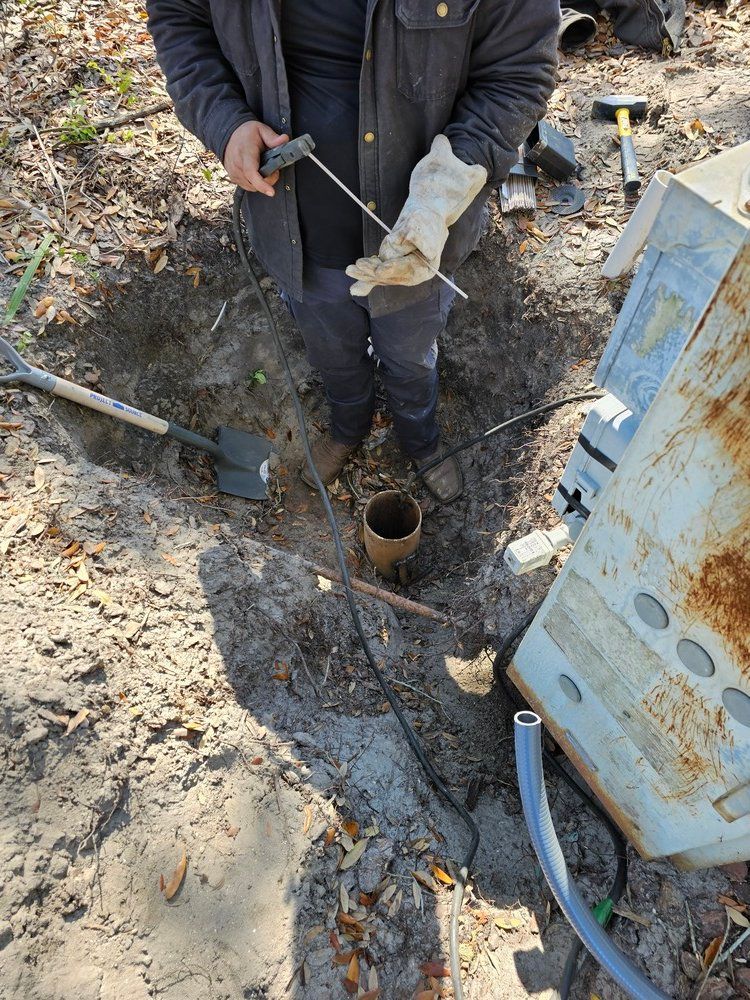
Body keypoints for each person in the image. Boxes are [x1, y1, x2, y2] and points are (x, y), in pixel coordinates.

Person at [147, 1, 559, 502]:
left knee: (409, 355)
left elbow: (518, 72)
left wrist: (447, 185)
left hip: (419, 238)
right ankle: (349, 424)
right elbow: (179, 19)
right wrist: (224, 121)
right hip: (296, 231)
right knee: (331, 351)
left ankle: (421, 439)